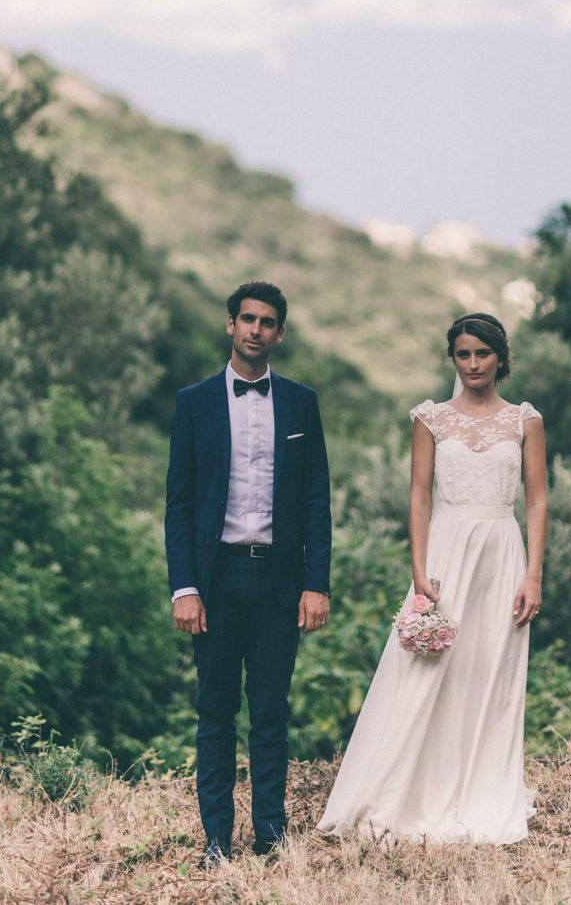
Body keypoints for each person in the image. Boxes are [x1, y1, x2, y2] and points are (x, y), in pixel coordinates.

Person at [319, 312, 546, 845]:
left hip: (501, 552)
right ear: (453, 359)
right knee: (426, 670)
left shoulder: (524, 421)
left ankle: (480, 790)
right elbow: (419, 494)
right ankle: (404, 791)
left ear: (500, 358)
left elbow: (536, 498)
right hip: (444, 552)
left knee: (491, 671)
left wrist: (533, 573)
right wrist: (419, 568)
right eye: (463, 354)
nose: (472, 364)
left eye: (482, 354)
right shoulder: (431, 418)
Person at [165, 280, 332, 865]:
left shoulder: (301, 402)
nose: (256, 329)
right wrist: (184, 587)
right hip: (215, 579)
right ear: (229, 325)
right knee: (215, 713)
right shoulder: (194, 402)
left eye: (267, 322)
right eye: (247, 319)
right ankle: (216, 839)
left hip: (280, 580)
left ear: (280, 333)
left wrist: (318, 582)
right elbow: (179, 503)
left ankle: (270, 835)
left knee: (270, 711)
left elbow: (316, 498)